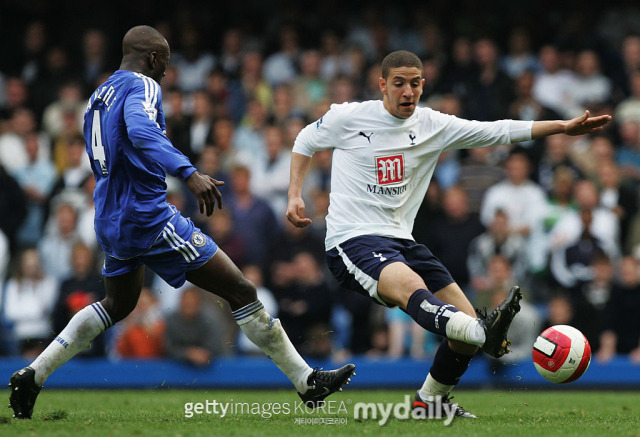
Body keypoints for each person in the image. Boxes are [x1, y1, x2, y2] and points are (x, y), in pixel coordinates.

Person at [9, 25, 354, 420]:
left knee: (117, 304)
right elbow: (140, 130)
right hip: (148, 215)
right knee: (241, 289)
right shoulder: (144, 86)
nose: (167, 73)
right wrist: (188, 172)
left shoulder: (98, 95)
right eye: (166, 64)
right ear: (154, 59)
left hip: (108, 214)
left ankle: (33, 374)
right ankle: (306, 382)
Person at [286, 50, 611, 418]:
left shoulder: (432, 124)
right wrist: (295, 192)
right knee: (421, 295)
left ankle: (431, 402)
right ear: (382, 85)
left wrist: (563, 127)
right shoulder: (348, 116)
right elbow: (304, 141)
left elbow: (497, 130)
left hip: (402, 241)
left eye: (414, 83)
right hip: (353, 239)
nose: (407, 91)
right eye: (398, 83)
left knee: (463, 330)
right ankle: (484, 334)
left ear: (423, 85)